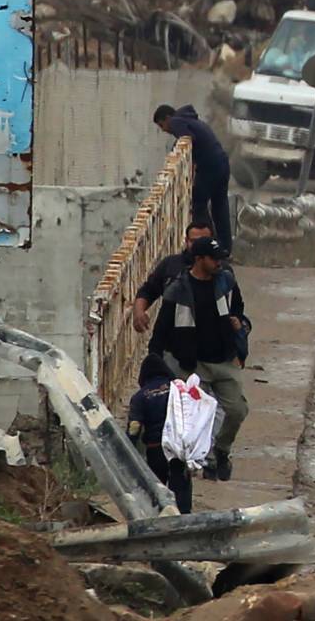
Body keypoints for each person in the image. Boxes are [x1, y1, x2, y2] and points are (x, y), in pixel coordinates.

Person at [149, 237, 249, 482]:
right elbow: (162, 328)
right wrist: (154, 362)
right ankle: (197, 463)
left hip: (224, 361)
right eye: (214, 258)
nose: (219, 263)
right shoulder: (178, 290)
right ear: (199, 259)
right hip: (192, 365)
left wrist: (239, 325)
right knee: (195, 420)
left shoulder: (226, 281)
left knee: (237, 410)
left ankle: (221, 450)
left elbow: (238, 308)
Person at [154, 105, 232, 256]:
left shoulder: (176, 121)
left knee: (197, 203)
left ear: (168, 118)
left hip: (209, 167)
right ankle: (224, 248)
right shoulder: (192, 120)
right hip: (222, 163)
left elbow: (186, 139)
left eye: (162, 125)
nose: (164, 130)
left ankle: (205, 244)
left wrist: (174, 154)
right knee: (220, 207)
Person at [126, 354, 197, 513]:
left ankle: (159, 517)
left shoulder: (140, 397)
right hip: (177, 448)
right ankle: (184, 518)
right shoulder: (178, 389)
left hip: (155, 448)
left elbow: (134, 427)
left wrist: (128, 449)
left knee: (156, 489)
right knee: (181, 487)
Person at [132, 221, 215, 334]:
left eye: (203, 241)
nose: (198, 246)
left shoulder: (221, 272)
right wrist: (139, 312)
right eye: (193, 241)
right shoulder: (170, 265)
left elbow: (234, 308)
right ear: (186, 241)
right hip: (173, 338)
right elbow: (148, 290)